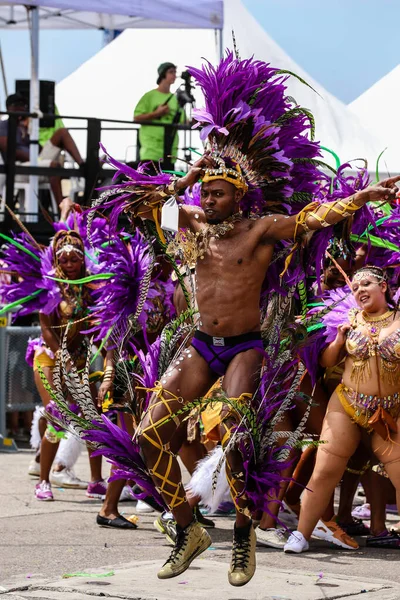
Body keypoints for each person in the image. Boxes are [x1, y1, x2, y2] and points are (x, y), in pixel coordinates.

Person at [284, 265, 400, 553]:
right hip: (347, 405)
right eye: (356, 287)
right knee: (324, 472)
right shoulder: (346, 318)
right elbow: (326, 362)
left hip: (389, 413)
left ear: (383, 287)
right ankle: (301, 535)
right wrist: (338, 339)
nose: (360, 290)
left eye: (367, 284)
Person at [0, 93, 84, 205]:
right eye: (19, 105)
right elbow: (9, 150)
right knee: (53, 166)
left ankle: (83, 165)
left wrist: (30, 131)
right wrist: (34, 157)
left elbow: (38, 149)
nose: (23, 108)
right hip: (19, 166)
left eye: (24, 105)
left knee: (62, 133)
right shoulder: (4, 125)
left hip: (35, 160)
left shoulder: (24, 127)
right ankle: (61, 212)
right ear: (9, 107)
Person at [134, 63, 184, 170]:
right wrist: (157, 113)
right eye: (171, 72)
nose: (174, 75)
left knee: (168, 186)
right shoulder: (149, 96)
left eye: (175, 72)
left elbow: (184, 121)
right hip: (151, 152)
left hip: (169, 152)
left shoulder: (174, 99)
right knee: (149, 185)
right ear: (162, 74)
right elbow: (137, 117)